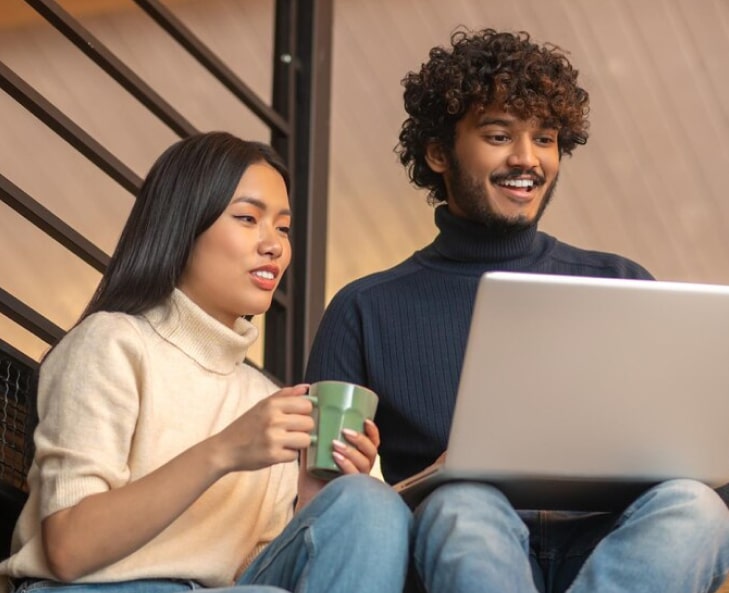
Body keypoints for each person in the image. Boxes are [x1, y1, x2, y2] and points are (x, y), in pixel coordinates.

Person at [305, 28, 729, 593]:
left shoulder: (622, 283)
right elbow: (327, 503)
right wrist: (398, 478)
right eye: (500, 134)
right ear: (437, 153)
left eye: (546, 138)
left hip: (610, 537)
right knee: (465, 502)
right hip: (456, 544)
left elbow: (695, 459)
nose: (527, 159)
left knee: (695, 506)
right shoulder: (365, 307)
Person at [0, 132, 412, 593]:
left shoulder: (263, 401)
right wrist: (224, 452)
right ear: (184, 225)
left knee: (371, 505)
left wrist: (316, 500)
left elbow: (247, 571)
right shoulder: (112, 345)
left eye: (283, 227)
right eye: (247, 218)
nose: (274, 245)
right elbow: (67, 548)